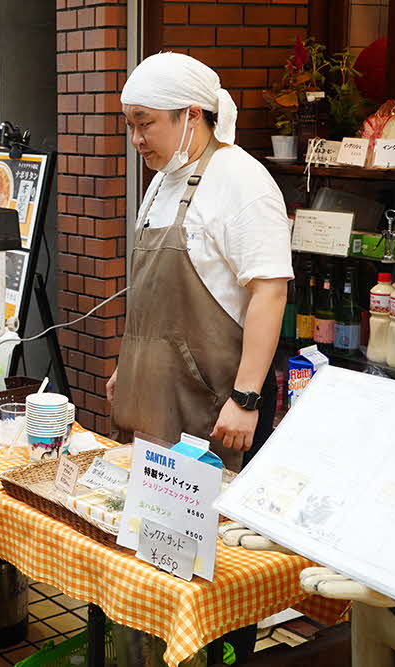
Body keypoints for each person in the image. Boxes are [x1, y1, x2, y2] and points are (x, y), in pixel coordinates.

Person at [107, 52, 292, 472]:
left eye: (145, 122)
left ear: (191, 115)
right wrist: (127, 366)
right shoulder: (160, 182)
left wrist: (246, 400)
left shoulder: (242, 181)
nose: (136, 138)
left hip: (212, 408)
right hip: (150, 401)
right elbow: (148, 299)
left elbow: (271, 291)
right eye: (130, 125)